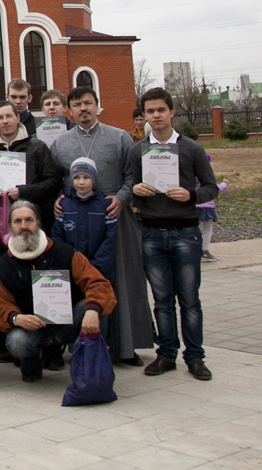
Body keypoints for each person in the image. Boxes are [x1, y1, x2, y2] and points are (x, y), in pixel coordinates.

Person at [49, 86, 155, 364]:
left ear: (98, 105)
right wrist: (60, 198)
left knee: (123, 280)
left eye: (88, 103)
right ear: (69, 111)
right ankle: (84, 347)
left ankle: (127, 346)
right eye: (77, 105)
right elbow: (56, 180)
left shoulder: (120, 138)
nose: (83, 109)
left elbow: (135, 176)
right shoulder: (61, 143)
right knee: (83, 281)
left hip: (115, 216)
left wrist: (121, 198)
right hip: (78, 223)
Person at [132, 87, 222, 380]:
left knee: (190, 300)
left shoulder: (192, 149)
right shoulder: (139, 150)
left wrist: (191, 195)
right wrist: (135, 191)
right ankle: (167, 355)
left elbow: (211, 187)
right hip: (152, 234)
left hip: (185, 232)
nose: (156, 115)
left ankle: (195, 358)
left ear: (171, 112)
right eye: (150, 111)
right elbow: (129, 186)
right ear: (144, 115)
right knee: (161, 300)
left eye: (160, 110)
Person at [0, 201, 116, 383]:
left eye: (29, 220)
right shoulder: (3, 266)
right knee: (16, 341)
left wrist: (93, 309)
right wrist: (17, 318)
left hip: (69, 323)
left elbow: (99, 284)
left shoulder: (65, 253)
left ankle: (92, 367)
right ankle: (33, 365)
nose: (24, 226)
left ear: (38, 223)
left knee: (96, 309)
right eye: (17, 221)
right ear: (10, 227)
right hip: (32, 329)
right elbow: (0, 307)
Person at [0, 100, 63, 231]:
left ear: (18, 118)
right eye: (0, 117)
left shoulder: (37, 147)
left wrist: (23, 192)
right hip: (1, 225)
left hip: (33, 222)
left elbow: (53, 184)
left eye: (9, 116)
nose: (5, 121)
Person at [51, 158, 118, 283]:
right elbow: (57, 236)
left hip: (100, 271)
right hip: (71, 270)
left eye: (86, 177)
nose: (81, 182)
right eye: (77, 178)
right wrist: (69, 262)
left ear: (94, 179)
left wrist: (96, 266)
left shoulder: (105, 205)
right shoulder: (64, 205)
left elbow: (110, 239)